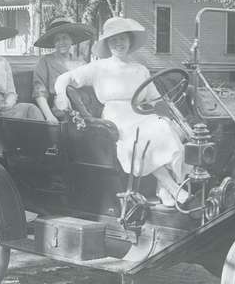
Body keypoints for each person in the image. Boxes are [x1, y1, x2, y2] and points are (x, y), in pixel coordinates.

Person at [53, 17, 189, 207]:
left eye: (123, 39)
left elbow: (156, 98)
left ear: (130, 41)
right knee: (141, 139)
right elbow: (64, 78)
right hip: (116, 118)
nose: (119, 43)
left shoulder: (140, 69)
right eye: (113, 40)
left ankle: (163, 190)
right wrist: (61, 95)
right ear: (108, 44)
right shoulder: (98, 67)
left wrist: (171, 117)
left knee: (167, 129)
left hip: (140, 114)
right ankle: (173, 188)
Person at [32, 16, 95, 124]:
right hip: (62, 110)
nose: (62, 42)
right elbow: (39, 92)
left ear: (71, 40)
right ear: (53, 43)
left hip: (87, 107)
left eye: (65, 38)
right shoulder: (45, 61)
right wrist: (49, 116)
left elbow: (91, 86)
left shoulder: (80, 61)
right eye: (57, 39)